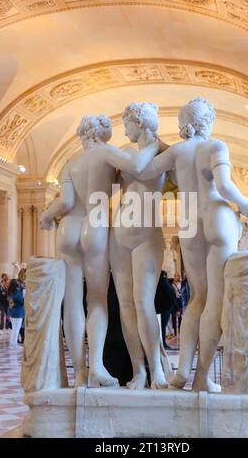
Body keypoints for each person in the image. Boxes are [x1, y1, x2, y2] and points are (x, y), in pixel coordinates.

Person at [138, 97, 248, 391]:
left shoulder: (177, 151)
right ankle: (202, 378)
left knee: (196, 299)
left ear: (185, 125)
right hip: (217, 216)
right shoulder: (216, 147)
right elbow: (226, 186)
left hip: (189, 222)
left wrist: (159, 144)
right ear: (206, 122)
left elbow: (146, 171)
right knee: (215, 299)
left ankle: (181, 374)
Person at [40, 114, 158, 387]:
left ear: (83, 135)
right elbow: (136, 166)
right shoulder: (106, 153)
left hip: (68, 228)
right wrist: (152, 144)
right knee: (96, 299)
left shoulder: (70, 163)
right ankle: (96, 368)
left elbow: (66, 201)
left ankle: (79, 372)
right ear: (102, 134)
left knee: (72, 301)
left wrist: (46, 215)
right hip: (95, 226)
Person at [110, 102, 170, 389]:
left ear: (140, 123)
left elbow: (190, 179)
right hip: (119, 237)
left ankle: (156, 368)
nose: (124, 128)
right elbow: (124, 172)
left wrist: (160, 144)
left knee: (144, 302)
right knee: (126, 305)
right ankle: (139, 371)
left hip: (147, 235)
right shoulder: (126, 152)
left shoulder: (165, 153)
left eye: (127, 122)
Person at [8, 269, 26, 350]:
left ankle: (13, 343)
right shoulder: (18, 288)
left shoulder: (13, 287)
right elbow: (18, 298)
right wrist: (25, 300)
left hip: (13, 310)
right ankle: (13, 345)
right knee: (16, 328)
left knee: (15, 328)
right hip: (17, 310)